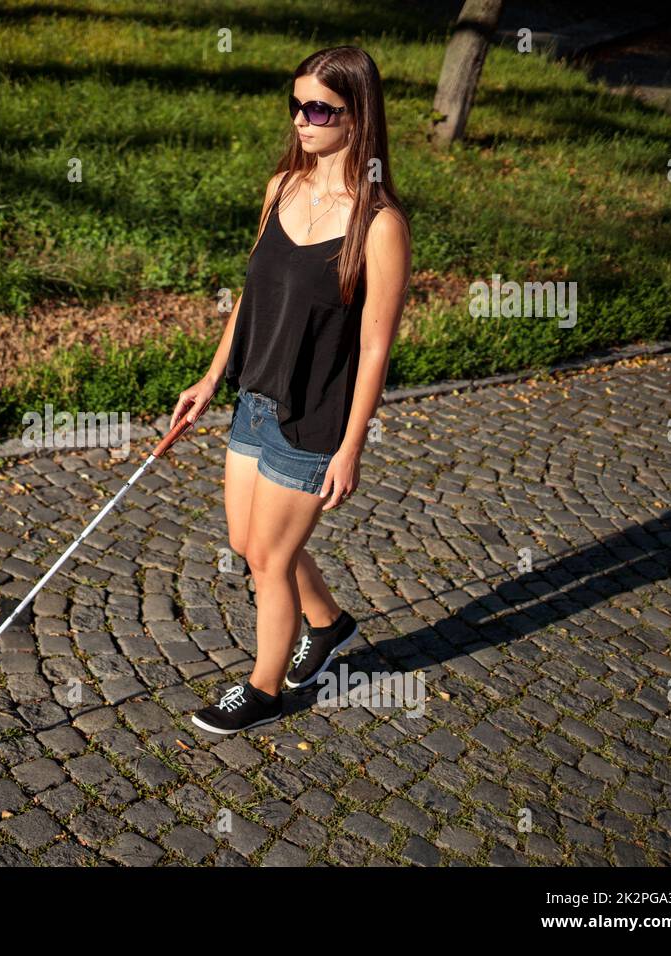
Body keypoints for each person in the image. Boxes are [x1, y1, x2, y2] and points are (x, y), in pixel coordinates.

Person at [172, 46, 411, 734]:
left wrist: (351, 447)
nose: (302, 120)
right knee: (248, 545)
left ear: (356, 116)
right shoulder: (281, 187)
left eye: (319, 109)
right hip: (255, 398)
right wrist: (213, 377)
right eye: (296, 104)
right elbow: (252, 299)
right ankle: (328, 621)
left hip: (316, 418)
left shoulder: (381, 225)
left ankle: (264, 688)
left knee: (271, 561)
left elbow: (375, 346)